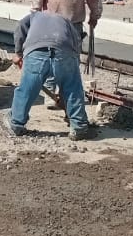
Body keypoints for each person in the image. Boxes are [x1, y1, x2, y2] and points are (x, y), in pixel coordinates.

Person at [33, 0, 101, 106]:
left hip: (74, 22)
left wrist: (95, 14)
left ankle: (67, 93)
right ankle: (50, 89)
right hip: (52, 21)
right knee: (52, 55)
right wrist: (35, 15)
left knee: (71, 58)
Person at [5, 10, 95, 140]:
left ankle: (16, 123)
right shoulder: (66, 20)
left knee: (27, 88)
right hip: (64, 52)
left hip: (36, 53)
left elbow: (20, 28)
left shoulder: (33, 16)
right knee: (73, 88)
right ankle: (79, 126)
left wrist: (18, 53)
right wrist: (72, 62)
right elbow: (76, 41)